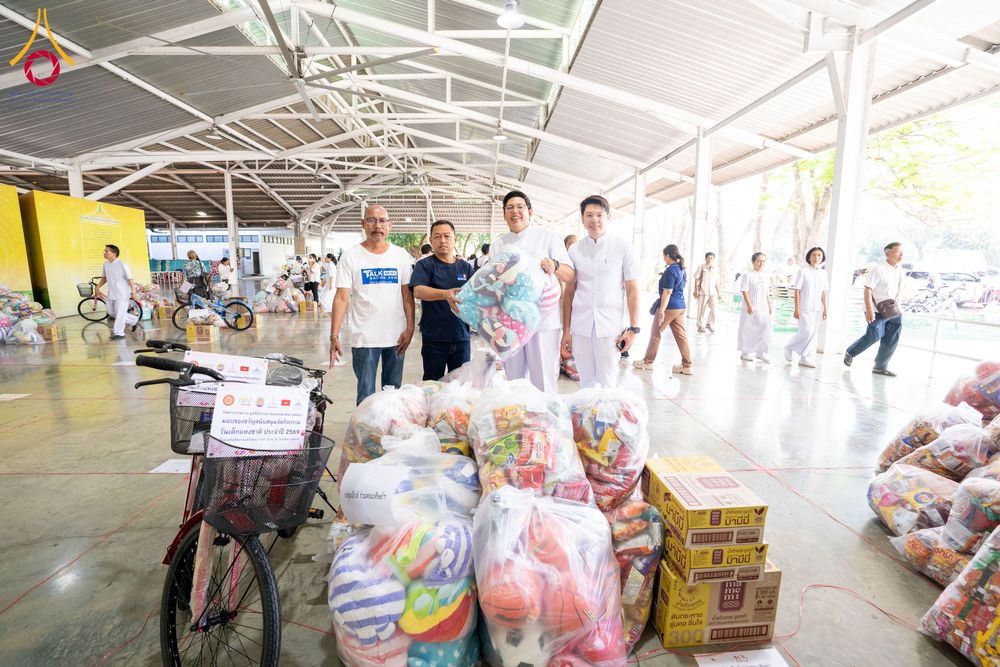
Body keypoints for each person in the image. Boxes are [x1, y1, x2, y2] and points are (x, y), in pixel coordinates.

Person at [329, 204, 416, 405]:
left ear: (390, 225)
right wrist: (334, 334)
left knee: (393, 394)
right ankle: (366, 435)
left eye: (382, 221)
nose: (378, 226)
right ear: (363, 224)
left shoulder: (400, 255)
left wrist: (410, 327)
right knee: (366, 395)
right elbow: (342, 297)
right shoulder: (351, 256)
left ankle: (390, 433)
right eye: (372, 220)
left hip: (396, 336)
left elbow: (407, 295)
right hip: (364, 338)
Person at [491, 190, 574, 393]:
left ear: (530, 211)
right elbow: (491, 284)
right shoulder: (498, 245)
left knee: (543, 380)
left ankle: (546, 423)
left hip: (543, 323)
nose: (515, 211)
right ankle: (519, 422)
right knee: (514, 382)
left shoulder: (548, 237)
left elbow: (570, 275)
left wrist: (554, 265)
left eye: (520, 207)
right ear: (504, 214)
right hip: (511, 324)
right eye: (509, 208)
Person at [561, 195, 639, 388]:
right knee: (585, 382)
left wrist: (633, 329)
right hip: (580, 326)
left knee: (607, 382)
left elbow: (632, 290)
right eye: (589, 215)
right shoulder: (574, 251)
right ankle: (587, 418)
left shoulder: (622, 247)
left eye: (599, 215)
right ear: (582, 218)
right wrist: (566, 331)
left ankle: (607, 418)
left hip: (610, 327)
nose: (594, 220)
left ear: (608, 216)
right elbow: (569, 293)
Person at [410, 220, 474, 381]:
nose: (443, 240)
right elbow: (418, 291)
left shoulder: (465, 268)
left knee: (460, 385)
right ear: (431, 241)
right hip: (434, 337)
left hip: (461, 336)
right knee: (432, 384)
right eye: (437, 237)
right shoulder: (425, 265)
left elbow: (478, 295)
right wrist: (445, 294)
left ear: (455, 238)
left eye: (447, 236)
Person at [845, 242, 905, 377]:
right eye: (898, 252)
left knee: (891, 339)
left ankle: (880, 367)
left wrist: (900, 310)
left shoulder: (900, 271)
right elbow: (867, 289)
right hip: (876, 311)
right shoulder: (879, 269)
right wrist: (869, 310)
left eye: (902, 252)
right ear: (887, 253)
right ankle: (851, 352)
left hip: (895, 311)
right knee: (873, 336)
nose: (901, 255)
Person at [636, 245, 692, 375]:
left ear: (667, 255)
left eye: (664, 256)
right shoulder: (681, 269)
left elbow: (667, 292)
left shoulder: (670, 271)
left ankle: (648, 361)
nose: (663, 259)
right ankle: (687, 365)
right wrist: (665, 276)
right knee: (681, 336)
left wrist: (661, 311)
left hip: (669, 307)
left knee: (656, 333)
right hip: (680, 306)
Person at [784, 247, 829, 368]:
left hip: (817, 309)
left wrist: (825, 308)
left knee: (814, 333)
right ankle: (790, 346)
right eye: (814, 255)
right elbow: (797, 291)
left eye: (819, 255)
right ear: (809, 257)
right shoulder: (803, 271)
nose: (816, 257)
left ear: (822, 258)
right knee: (807, 331)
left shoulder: (823, 273)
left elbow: (823, 292)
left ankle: (805, 358)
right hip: (804, 307)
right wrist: (796, 308)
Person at [94, 244, 140, 340]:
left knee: (119, 314)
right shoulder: (106, 264)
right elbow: (104, 278)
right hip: (112, 293)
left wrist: (134, 293)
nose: (104, 253)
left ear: (114, 253)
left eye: (106, 251)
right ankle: (133, 320)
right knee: (112, 312)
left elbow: (130, 279)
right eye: (104, 251)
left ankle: (119, 333)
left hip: (122, 294)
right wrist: (97, 287)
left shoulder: (122, 264)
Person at [738, 252, 773, 363]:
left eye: (763, 261)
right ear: (753, 262)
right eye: (759, 261)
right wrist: (749, 306)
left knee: (765, 330)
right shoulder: (747, 275)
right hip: (750, 308)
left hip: (763, 307)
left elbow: (767, 292)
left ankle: (761, 353)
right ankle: (745, 352)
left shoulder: (766, 276)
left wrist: (769, 305)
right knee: (747, 330)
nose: (761, 263)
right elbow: (744, 291)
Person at [559, 233, 580, 382]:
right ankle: (563, 360)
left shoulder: (579, 261)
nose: (574, 246)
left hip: (576, 305)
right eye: (570, 244)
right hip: (560, 304)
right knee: (562, 332)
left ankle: (569, 360)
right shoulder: (559, 262)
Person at [693, 251, 722, 333]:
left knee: (714, 308)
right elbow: (696, 279)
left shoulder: (716, 269)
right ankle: (700, 325)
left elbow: (717, 282)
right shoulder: (702, 267)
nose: (710, 259)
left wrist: (719, 293)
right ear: (705, 258)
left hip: (713, 293)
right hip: (703, 292)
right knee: (701, 310)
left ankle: (709, 324)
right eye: (708, 257)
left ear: (713, 259)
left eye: (711, 258)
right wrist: (696, 291)